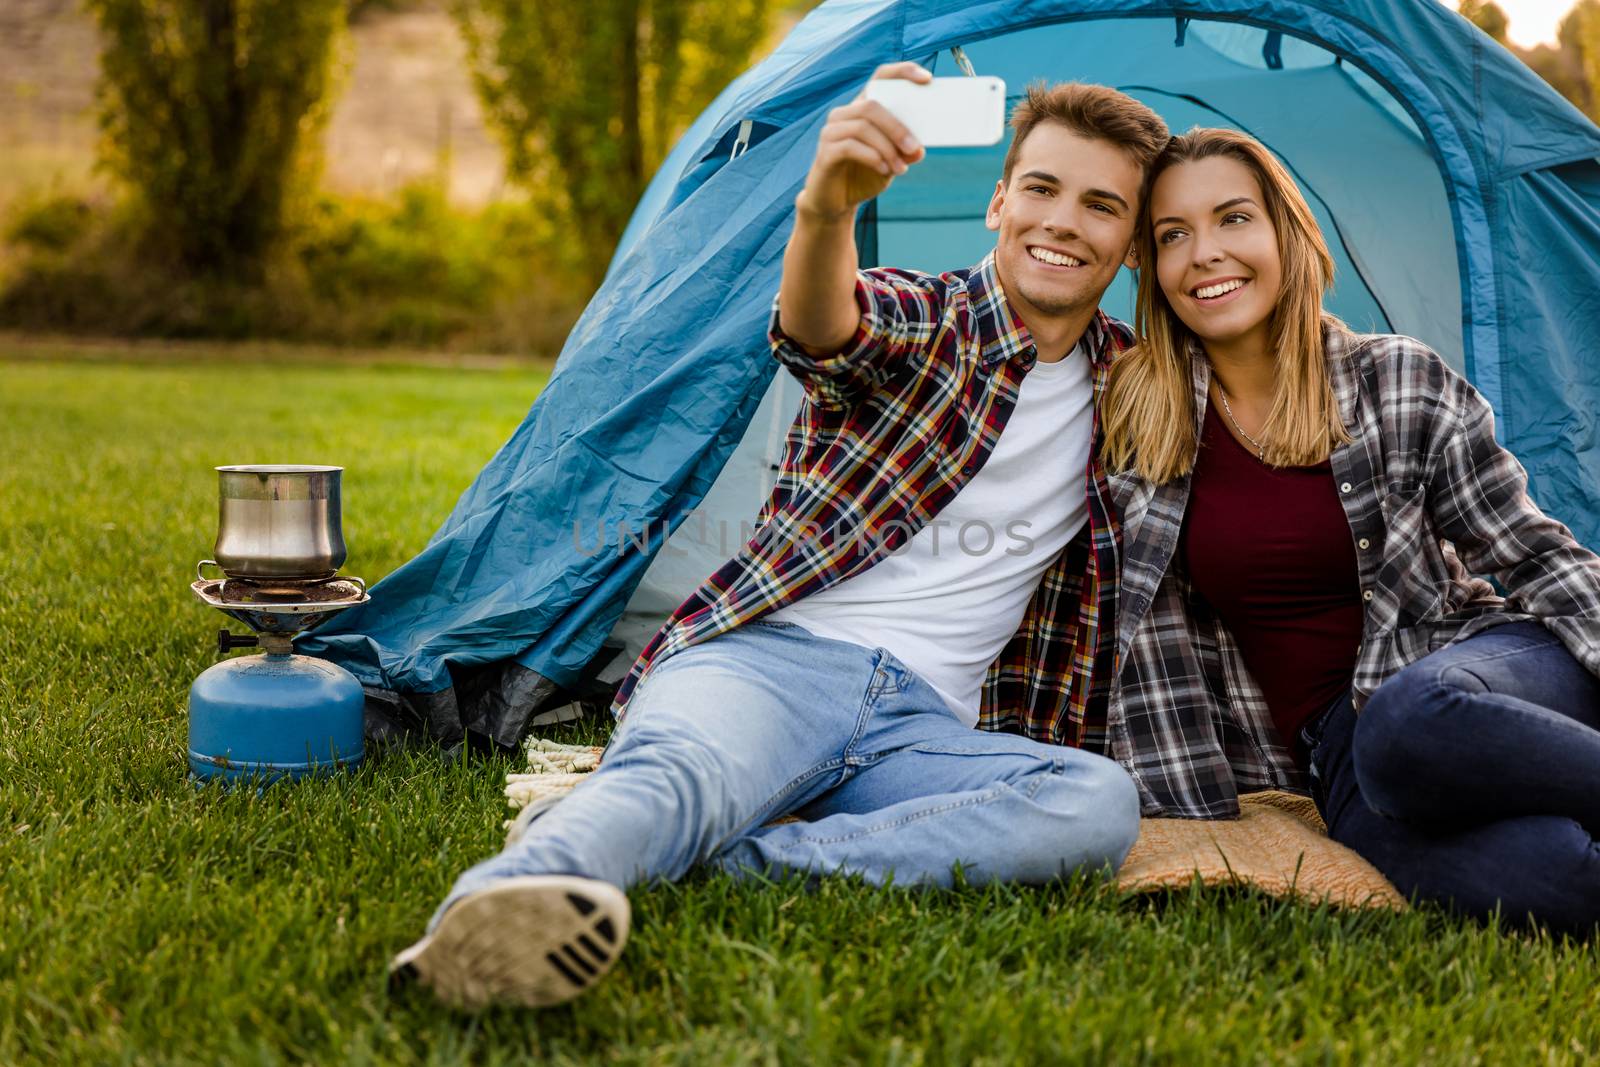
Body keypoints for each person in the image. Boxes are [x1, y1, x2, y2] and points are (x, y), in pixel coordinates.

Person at [387, 69, 1170, 1010]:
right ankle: (506, 905)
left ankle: (741, 859)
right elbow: (820, 330)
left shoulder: (1129, 380)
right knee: (683, 776)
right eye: (1041, 188)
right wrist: (825, 206)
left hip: (923, 730)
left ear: (1128, 246)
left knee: (1094, 802)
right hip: (767, 663)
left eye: (1100, 205)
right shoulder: (931, 319)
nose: (1062, 221)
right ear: (1000, 201)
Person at [1099, 126, 1600, 935]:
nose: (1204, 254)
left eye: (1233, 218)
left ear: (1284, 234)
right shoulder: (1137, 417)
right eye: (1172, 235)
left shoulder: (1396, 376)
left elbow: (1534, 552)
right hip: (1338, 757)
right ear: (1153, 269)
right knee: (1552, 877)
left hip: (1470, 669)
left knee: (1409, 720)